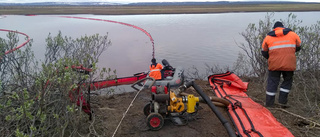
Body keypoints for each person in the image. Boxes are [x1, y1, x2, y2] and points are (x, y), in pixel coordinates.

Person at [261, 21, 301, 107]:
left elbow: (264, 52)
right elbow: (298, 47)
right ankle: (282, 102)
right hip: (289, 64)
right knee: (287, 81)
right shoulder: (293, 35)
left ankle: (269, 104)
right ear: (283, 27)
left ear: (274, 28)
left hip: (274, 64)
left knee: (272, 82)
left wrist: (272, 57)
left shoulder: (268, 37)